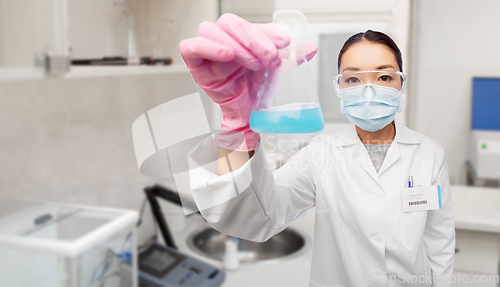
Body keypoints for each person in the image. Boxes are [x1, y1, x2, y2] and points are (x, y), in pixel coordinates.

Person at [179, 13, 455, 287]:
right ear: (339, 87)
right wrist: (238, 127)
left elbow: (439, 241)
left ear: (401, 84)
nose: (369, 90)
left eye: (384, 77)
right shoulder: (320, 154)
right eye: (353, 79)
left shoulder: (429, 154)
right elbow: (256, 217)